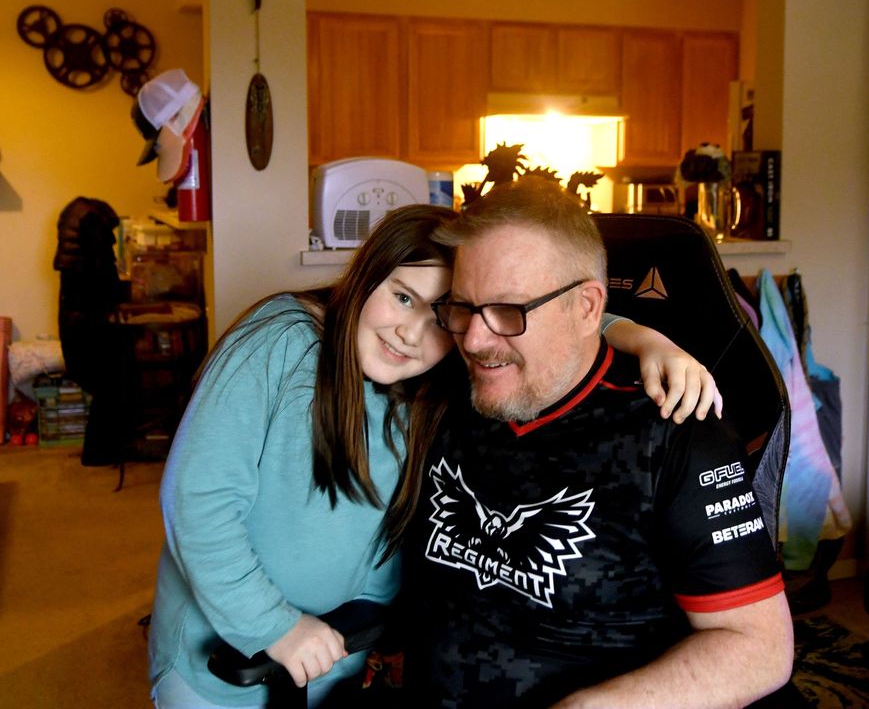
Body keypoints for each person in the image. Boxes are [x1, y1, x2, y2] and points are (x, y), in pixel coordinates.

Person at [148, 203, 720, 708]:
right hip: (223, 661)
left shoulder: (442, 378)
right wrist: (274, 627)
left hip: (336, 658)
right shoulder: (281, 340)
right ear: (367, 274)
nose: (410, 334)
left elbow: (551, 325)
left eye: (441, 315)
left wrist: (645, 338)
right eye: (401, 297)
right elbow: (196, 499)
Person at [400, 180, 794, 708]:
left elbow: (760, 648)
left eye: (508, 312)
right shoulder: (443, 390)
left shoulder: (673, 430)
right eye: (463, 307)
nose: (473, 339)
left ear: (588, 308)